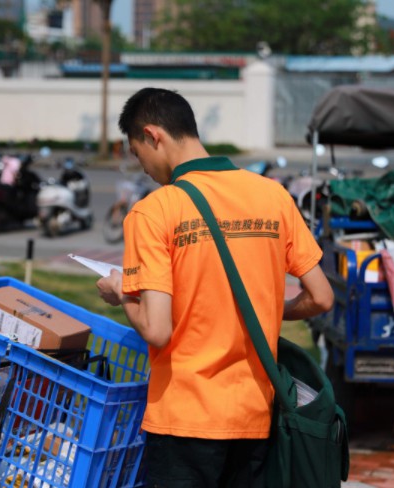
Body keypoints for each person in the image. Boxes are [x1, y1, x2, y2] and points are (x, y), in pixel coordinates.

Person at [96, 87, 334, 487]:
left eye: (139, 155)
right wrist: (270, 309)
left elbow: (157, 330)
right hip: (254, 414)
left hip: (183, 417)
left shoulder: (154, 211)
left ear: (154, 135)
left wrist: (121, 295)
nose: (145, 169)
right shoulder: (272, 195)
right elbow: (321, 297)